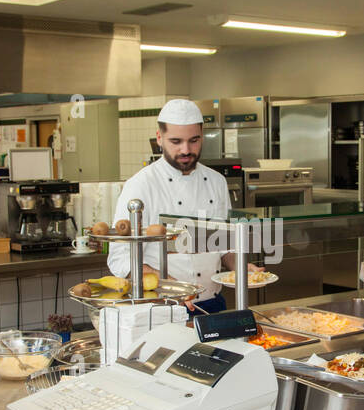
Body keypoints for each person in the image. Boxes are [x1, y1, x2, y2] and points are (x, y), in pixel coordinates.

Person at [107, 98, 259, 314]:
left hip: (212, 303)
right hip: (161, 307)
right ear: (159, 138)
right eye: (176, 141)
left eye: (194, 140)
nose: (186, 149)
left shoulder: (216, 181)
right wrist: (168, 285)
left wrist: (241, 268)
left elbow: (223, 244)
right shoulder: (140, 185)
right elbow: (120, 257)